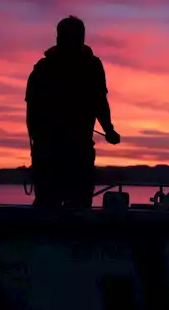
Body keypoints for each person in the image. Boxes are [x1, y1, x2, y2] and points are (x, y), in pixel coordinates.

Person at [25, 16, 120, 208]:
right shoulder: (44, 68)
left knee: (75, 201)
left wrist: (109, 129)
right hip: (51, 148)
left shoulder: (92, 66)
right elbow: (32, 110)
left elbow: (99, 102)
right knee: (52, 201)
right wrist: (37, 144)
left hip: (76, 147)